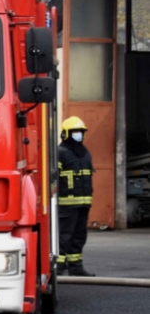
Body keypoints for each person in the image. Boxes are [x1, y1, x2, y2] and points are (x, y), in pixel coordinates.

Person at [58, 116, 95, 277]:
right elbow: (53, 179)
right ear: (66, 133)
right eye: (74, 132)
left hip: (84, 203)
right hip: (66, 204)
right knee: (64, 236)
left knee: (79, 236)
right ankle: (58, 268)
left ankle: (76, 267)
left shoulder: (85, 153)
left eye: (80, 131)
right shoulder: (60, 153)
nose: (78, 134)